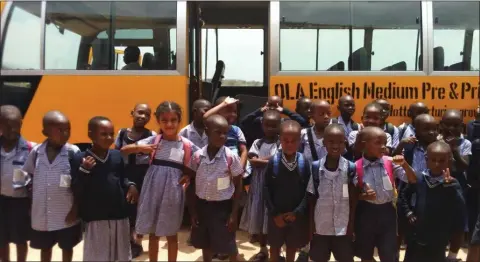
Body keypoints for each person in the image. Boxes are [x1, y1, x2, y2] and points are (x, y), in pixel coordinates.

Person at [121, 101, 199, 262]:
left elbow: (202, 162)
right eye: (164, 120)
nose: (169, 124)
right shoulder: (153, 141)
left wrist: (190, 175)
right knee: (153, 234)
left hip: (172, 194)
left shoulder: (186, 145)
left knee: (171, 234)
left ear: (179, 121)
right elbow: (123, 150)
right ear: (158, 121)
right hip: (152, 192)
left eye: (173, 120)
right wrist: (140, 148)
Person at [71, 116, 139, 261]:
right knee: (98, 256)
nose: (109, 138)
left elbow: (122, 178)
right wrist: (84, 170)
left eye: (111, 134)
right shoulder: (80, 158)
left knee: (120, 255)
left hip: (119, 215)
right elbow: (76, 189)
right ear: (91, 135)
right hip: (96, 217)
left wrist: (131, 185)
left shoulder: (117, 156)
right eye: (103, 134)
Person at [22, 111, 82, 262]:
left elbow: (80, 184)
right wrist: (28, 201)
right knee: (45, 247)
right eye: (60, 130)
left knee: (67, 247)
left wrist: (75, 210)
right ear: (45, 132)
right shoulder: (36, 152)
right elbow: (26, 175)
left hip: (66, 213)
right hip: (41, 214)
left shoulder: (73, 152)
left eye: (68, 129)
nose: (65, 134)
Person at [353, 126, 417, 262]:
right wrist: (363, 196)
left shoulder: (390, 162)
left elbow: (412, 179)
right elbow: (351, 195)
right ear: (364, 145)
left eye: (384, 143)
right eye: (378, 143)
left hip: (387, 213)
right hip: (366, 214)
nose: (383, 147)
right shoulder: (356, 166)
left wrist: (404, 164)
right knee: (366, 254)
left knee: (388, 253)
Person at [188, 114, 244, 262]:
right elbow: (191, 183)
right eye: (218, 132)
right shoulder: (197, 156)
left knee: (228, 245)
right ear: (207, 132)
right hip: (202, 206)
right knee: (206, 243)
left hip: (223, 208)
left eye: (225, 133)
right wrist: (193, 211)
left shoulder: (230, 157)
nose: (222, 136)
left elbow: (239, 184)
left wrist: (233, 214)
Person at [402, 141, 466, 262]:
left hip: (439, 237)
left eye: (442, 161)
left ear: (449, 161)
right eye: (433, 160)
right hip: (417, 235)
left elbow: (460, 211)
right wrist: (408, 212)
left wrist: (449, 188)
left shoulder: (453, 183)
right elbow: (403, 195)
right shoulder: (420, 178)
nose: (437, 164)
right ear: (426, 159)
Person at [203, 96, 248, 260]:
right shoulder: (211, 126)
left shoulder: (236, 130)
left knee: (230, 215)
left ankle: (229, 248)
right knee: (216, 215)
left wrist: (239, 168)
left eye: (234, 111)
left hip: (232, 174)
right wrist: (222, 104)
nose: (232, 114)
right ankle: (216, 247)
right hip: (215, 176)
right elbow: (206, 117)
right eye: (228, 110)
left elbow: (244, 150)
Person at [307, 124, 357, 262]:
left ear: (345, 142)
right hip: (320, 229)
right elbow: (311, 199)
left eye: (340, 142)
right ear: (324, 143)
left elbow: (353, 200)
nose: (336, 146)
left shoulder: (351, 168)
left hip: (343, 228)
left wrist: (351, 226)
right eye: (331, 142)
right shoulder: (316, 168)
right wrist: (311, 228)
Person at [264, 120, 311, 262]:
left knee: (292, 248)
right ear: (280, 140)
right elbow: (266, 189)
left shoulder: (304, 162)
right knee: (274, 247)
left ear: (299, 141)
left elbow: (308, 191)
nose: (289, 144)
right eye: (286, 140)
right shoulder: (274, 162)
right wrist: (274, 213)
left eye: (293, 141)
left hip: (296, 216)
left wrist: (297, 212)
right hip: (276, 216)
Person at [114, 103, 156, 258]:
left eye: (147, 114)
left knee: (140, 210)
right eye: (140, 112)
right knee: (126, 209)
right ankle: (128, 242)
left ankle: (137, 243)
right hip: (125, 176)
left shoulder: (151, 134)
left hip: (143, 177)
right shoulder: (122, 133)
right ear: (132, 113)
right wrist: (138, 148)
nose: (142, 117)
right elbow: (117, 153)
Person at [240, 110, 282, 261]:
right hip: (258, 187)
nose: (270, 128)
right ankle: (263, 249)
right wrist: (267, 160)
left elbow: (277, 159)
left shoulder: (282, 142)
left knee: (274, 220)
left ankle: (277, 251)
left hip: (275, 187)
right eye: (267, 125)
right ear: (262, 125)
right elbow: (252, 160)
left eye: (274, 125)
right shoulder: (257, 142)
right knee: (260, 219)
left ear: (279, 126)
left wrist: (260, 161)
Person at [0, 105, 35, 262]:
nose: (12, 129)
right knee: (1, 239)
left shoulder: (30, 149)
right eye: (7, 125)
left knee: (21, 239)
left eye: (16, 125)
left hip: (20, 202)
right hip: (1, 200)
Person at [439, 109, 472, 261]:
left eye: (456, 125)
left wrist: (454, 150)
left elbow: (464, 166)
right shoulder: (436, 140)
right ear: (441, 125)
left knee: (458, 223)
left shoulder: (465, 143)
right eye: (448, 125)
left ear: (462, 127)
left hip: (459, 186)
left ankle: (452, 256)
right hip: (437, 185)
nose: (451, 129)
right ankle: (437, 252)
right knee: (438, 220)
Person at [240, 96, 305, 147]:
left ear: (281, 107)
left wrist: (285, 111)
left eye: (276, 106)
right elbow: (244, 122)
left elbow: (302, 122)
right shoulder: (259, 121)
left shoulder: (284, 122)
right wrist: (260, 110)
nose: (272, 108)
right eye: (270, 105)